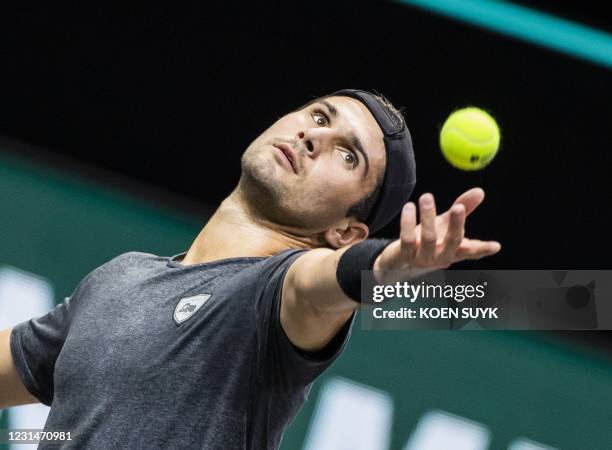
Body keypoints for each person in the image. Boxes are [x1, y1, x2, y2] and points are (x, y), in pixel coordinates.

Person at [0, 89, 500, 449]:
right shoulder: (120, 278)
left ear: (346, 233)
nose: (314, 137)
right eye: (319, 116)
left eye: (348, 156)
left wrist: (392, 263)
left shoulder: (271, 297)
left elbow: (323, 284)